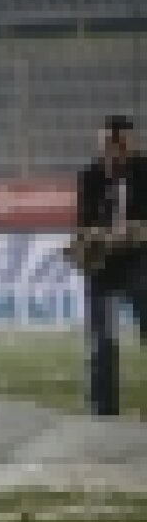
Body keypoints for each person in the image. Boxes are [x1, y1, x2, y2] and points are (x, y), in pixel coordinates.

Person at [77, 115, 147, 416]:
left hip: (141, 264)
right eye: (107, 144)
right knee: (102, 343)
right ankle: (103, 412)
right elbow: (84, 222)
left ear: (131, 144)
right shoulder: (90, 176)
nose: (113, 151)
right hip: (103, 268)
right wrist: (89, 240)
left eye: (119, 144)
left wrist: (133, 232)